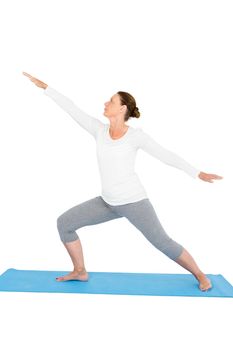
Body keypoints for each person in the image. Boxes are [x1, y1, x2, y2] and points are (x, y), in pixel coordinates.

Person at [22, 71, 223, 291]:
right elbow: (72, 108)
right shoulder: (99, 130)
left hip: (134, 202)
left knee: (163, 243)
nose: (106, 103)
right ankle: (80, 271)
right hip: (107, 203)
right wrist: (47, 89)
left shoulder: (136, 136)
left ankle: (201, 275)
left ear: (122, 109)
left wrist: (196, 173)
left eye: (111, 101)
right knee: (65, 224)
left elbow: (166, 155)